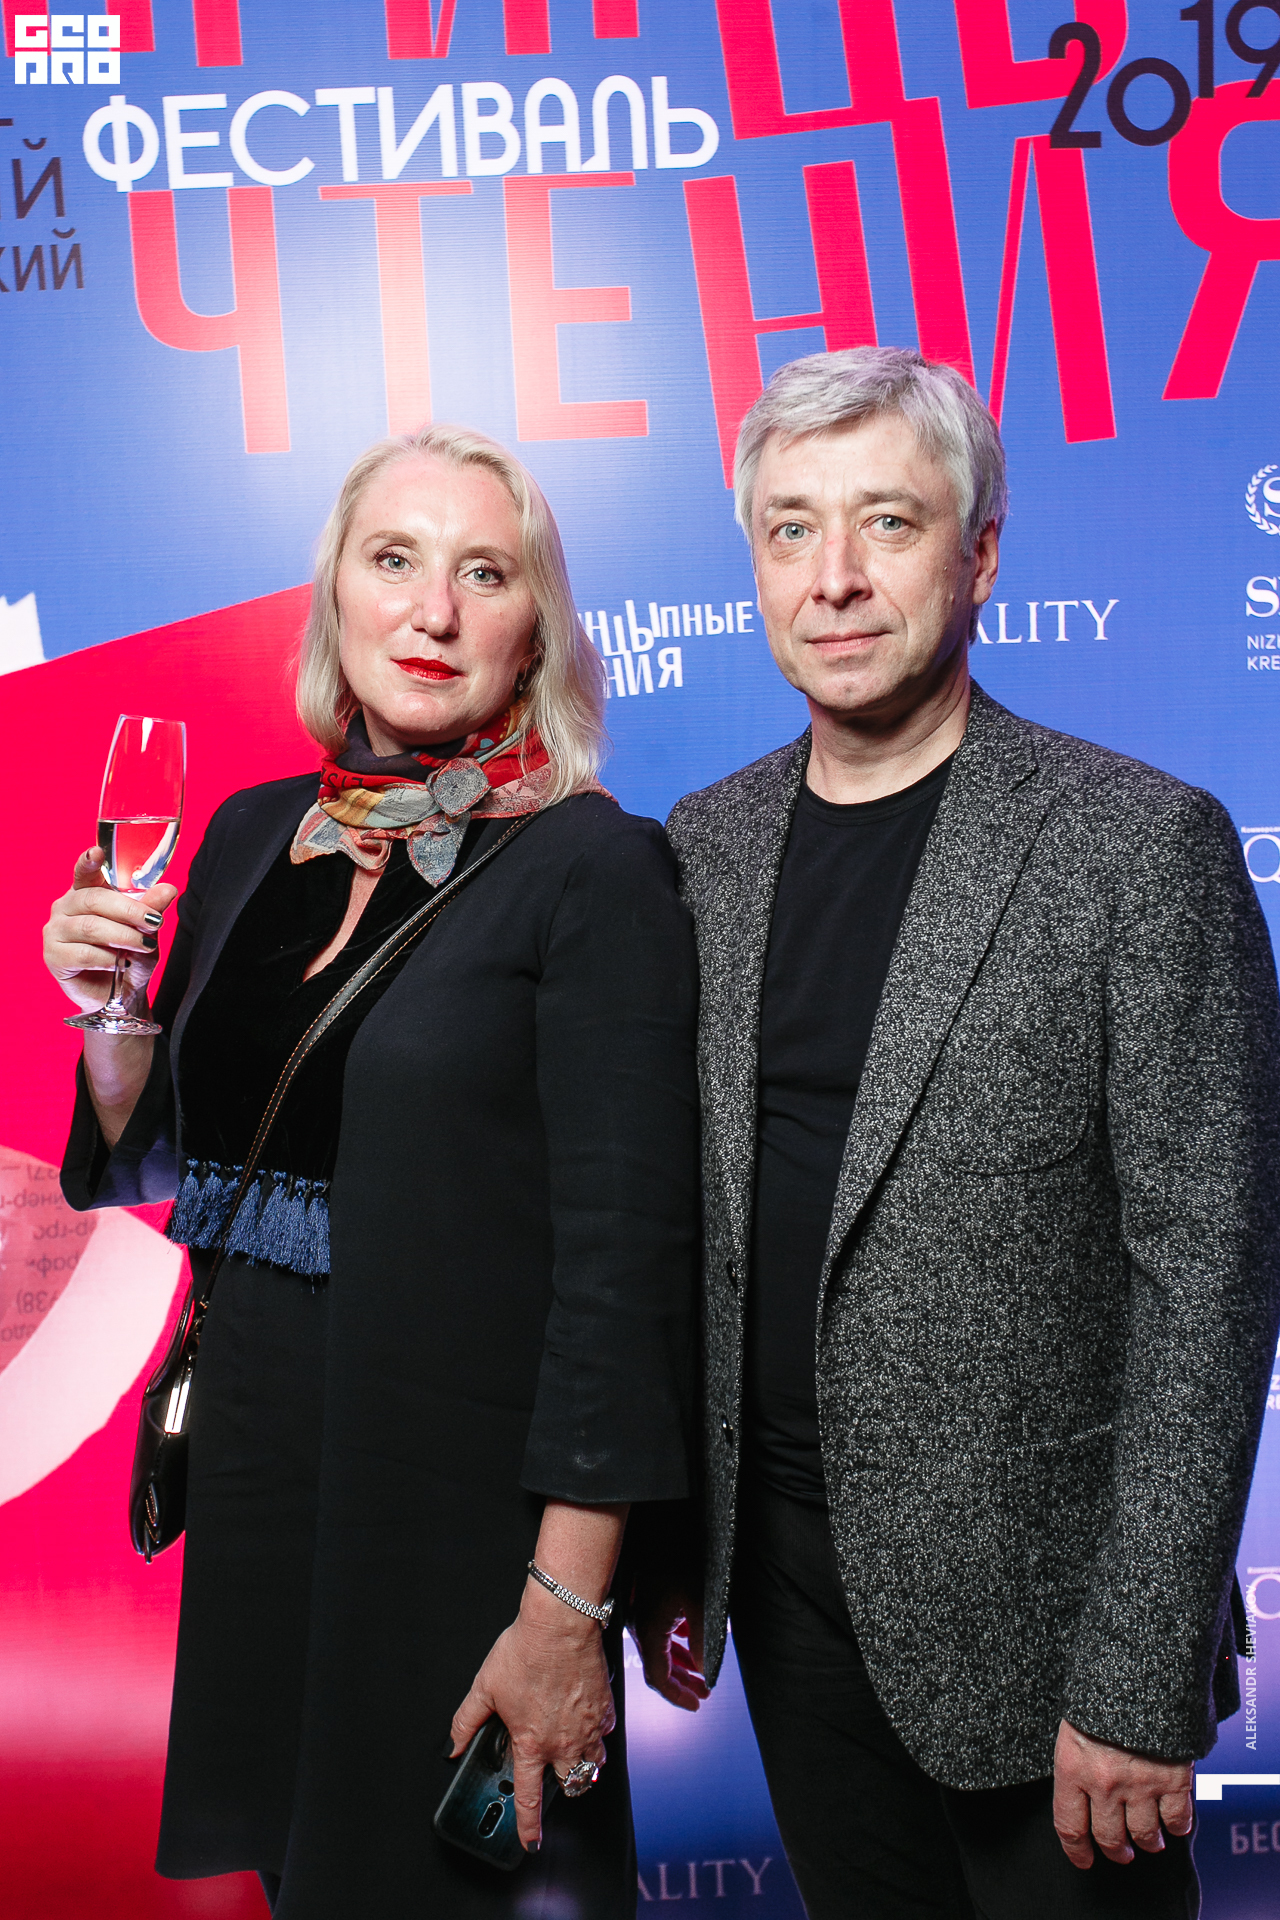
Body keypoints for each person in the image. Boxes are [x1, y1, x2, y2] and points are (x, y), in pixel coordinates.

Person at [647, 347, 1280, 1917]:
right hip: (784, 1590)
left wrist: (1139, 1673)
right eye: (792, 529)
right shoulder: (701, 850)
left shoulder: (1139, 844)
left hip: (1047, 1631)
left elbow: (1209, 1286)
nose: (836, 577)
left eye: (888, 522)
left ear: (981, 553)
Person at [44, 424, 699, 1919]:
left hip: (458, 1516)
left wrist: (565, 1608)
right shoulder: (249, 834)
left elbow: (626, 1280)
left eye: (486, 573)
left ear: (537, 630)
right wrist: (114, 1018)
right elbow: (160, 1161)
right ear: (335, 589)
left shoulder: (594, 867)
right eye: (393, 559)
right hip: (269, 1489)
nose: (432, 611)